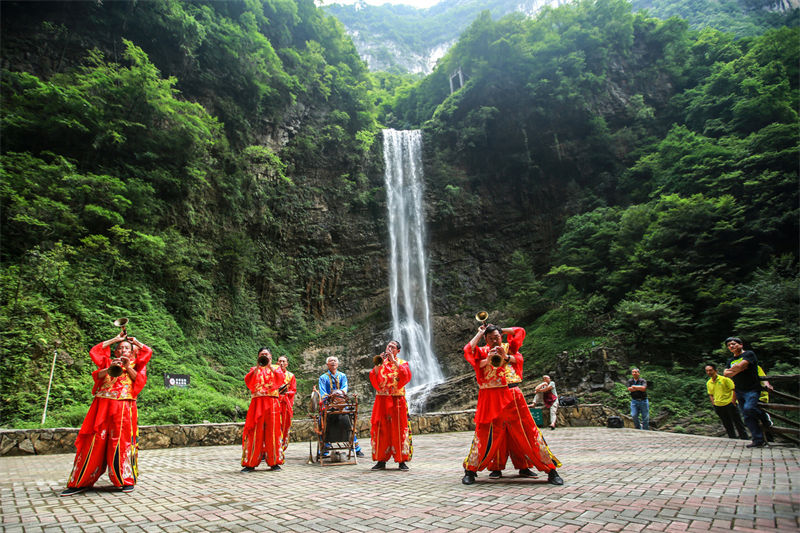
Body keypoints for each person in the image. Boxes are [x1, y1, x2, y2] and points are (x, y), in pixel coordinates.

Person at [461, 324, 563, 486]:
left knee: (528, 430)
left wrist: (504, 347)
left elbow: (520, 332)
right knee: (485, 433)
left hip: (512, 395)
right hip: (491, 395)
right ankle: (470, 470)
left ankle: (550, 469)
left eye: (497, 337)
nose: (495, 340)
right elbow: (468, 350)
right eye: (491, 338)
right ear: (486, 340)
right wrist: (480, 334)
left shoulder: (508, 347)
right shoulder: (482, 351)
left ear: (501, 337)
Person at [60, 331, 152, 496]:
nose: (123, 350)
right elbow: (94, 352)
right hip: (102, 404)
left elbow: (144, 362)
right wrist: (114, 340)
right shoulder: (108, 361)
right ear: (115, 351)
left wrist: (135, 345)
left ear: (132, 352)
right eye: (120, 348)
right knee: (93, 440)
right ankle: (80, 481)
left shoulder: (136, 363)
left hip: (123, 406)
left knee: (121, 441)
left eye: (126, 348)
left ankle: (125, 480)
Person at [369, 341, 412, 471]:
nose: (389, 348)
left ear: (398, 351)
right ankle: (380, 460)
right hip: (381, 400)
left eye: (392, 347)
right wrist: (378, 363)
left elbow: (406, 376)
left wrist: (394, 362)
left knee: (399, 428)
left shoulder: (402, 363)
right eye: (388, 346)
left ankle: (402, 460)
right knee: (380, 428)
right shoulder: (380, 362)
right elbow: (373, 376)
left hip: (397, 400)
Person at [241, 348, 285, 472]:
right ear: (258, 356)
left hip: (272, 403)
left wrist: (269, 366)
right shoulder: (253, 369)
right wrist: (257, 366)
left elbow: (280, 379)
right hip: (257, 402)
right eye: (262, 355)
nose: (264, 356)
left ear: (271, 356)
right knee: (254, 432)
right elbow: (248, 380)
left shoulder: (276, 369)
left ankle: (274, 462)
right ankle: (250, 463)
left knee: (273, 432)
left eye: (267, 354)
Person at [723, 337, 771, 448]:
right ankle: (758, 440)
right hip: (739, 390)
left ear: (741, 345)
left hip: (752, 388)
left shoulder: (749, 354)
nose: (731, 346)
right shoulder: (730, 360)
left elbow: (740, 366)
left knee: (749, 408)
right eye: (729, 345)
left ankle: (765, 418)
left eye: (733, 344)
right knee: (747, 416)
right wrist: (738, 369)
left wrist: (735, 369)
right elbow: (726, 373)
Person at [318, 356, 364, 457]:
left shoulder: (343, 376)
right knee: (323, 422)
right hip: (328, 404)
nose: (333, 362)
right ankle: (324, 448)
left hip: (342, 403)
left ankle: (356, 448)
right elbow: (323, 393)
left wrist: (339, 397)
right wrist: (330, 398)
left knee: (349, 420)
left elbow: (344, 388)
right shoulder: (323, 378)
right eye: (330, 361)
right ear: (327, 364)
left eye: (335, 361)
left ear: (338, 364)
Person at [705, 363, 748, 440]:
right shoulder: (709, 383)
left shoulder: (725, 379)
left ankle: (744, 439)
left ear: (715, 370)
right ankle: (732, 438)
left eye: (710, 370)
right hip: (718, 405)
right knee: (727, 423)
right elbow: (711, 394)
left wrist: (733, 402)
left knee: (738, 422)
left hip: (729, 403)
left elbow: (734, 389)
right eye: (707, 371)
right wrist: (714, 403)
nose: (709, 372)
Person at [276, 355, 297, 451]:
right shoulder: (272, 374)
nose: (281, 363)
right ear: (277, 363)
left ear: (287, 364)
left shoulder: (291, 376)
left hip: (285, 402)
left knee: (285, 424)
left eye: (284, 361)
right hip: (274, 402)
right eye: (280, 361)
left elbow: (293, 390)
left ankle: (281, 446)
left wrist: (286, 392)